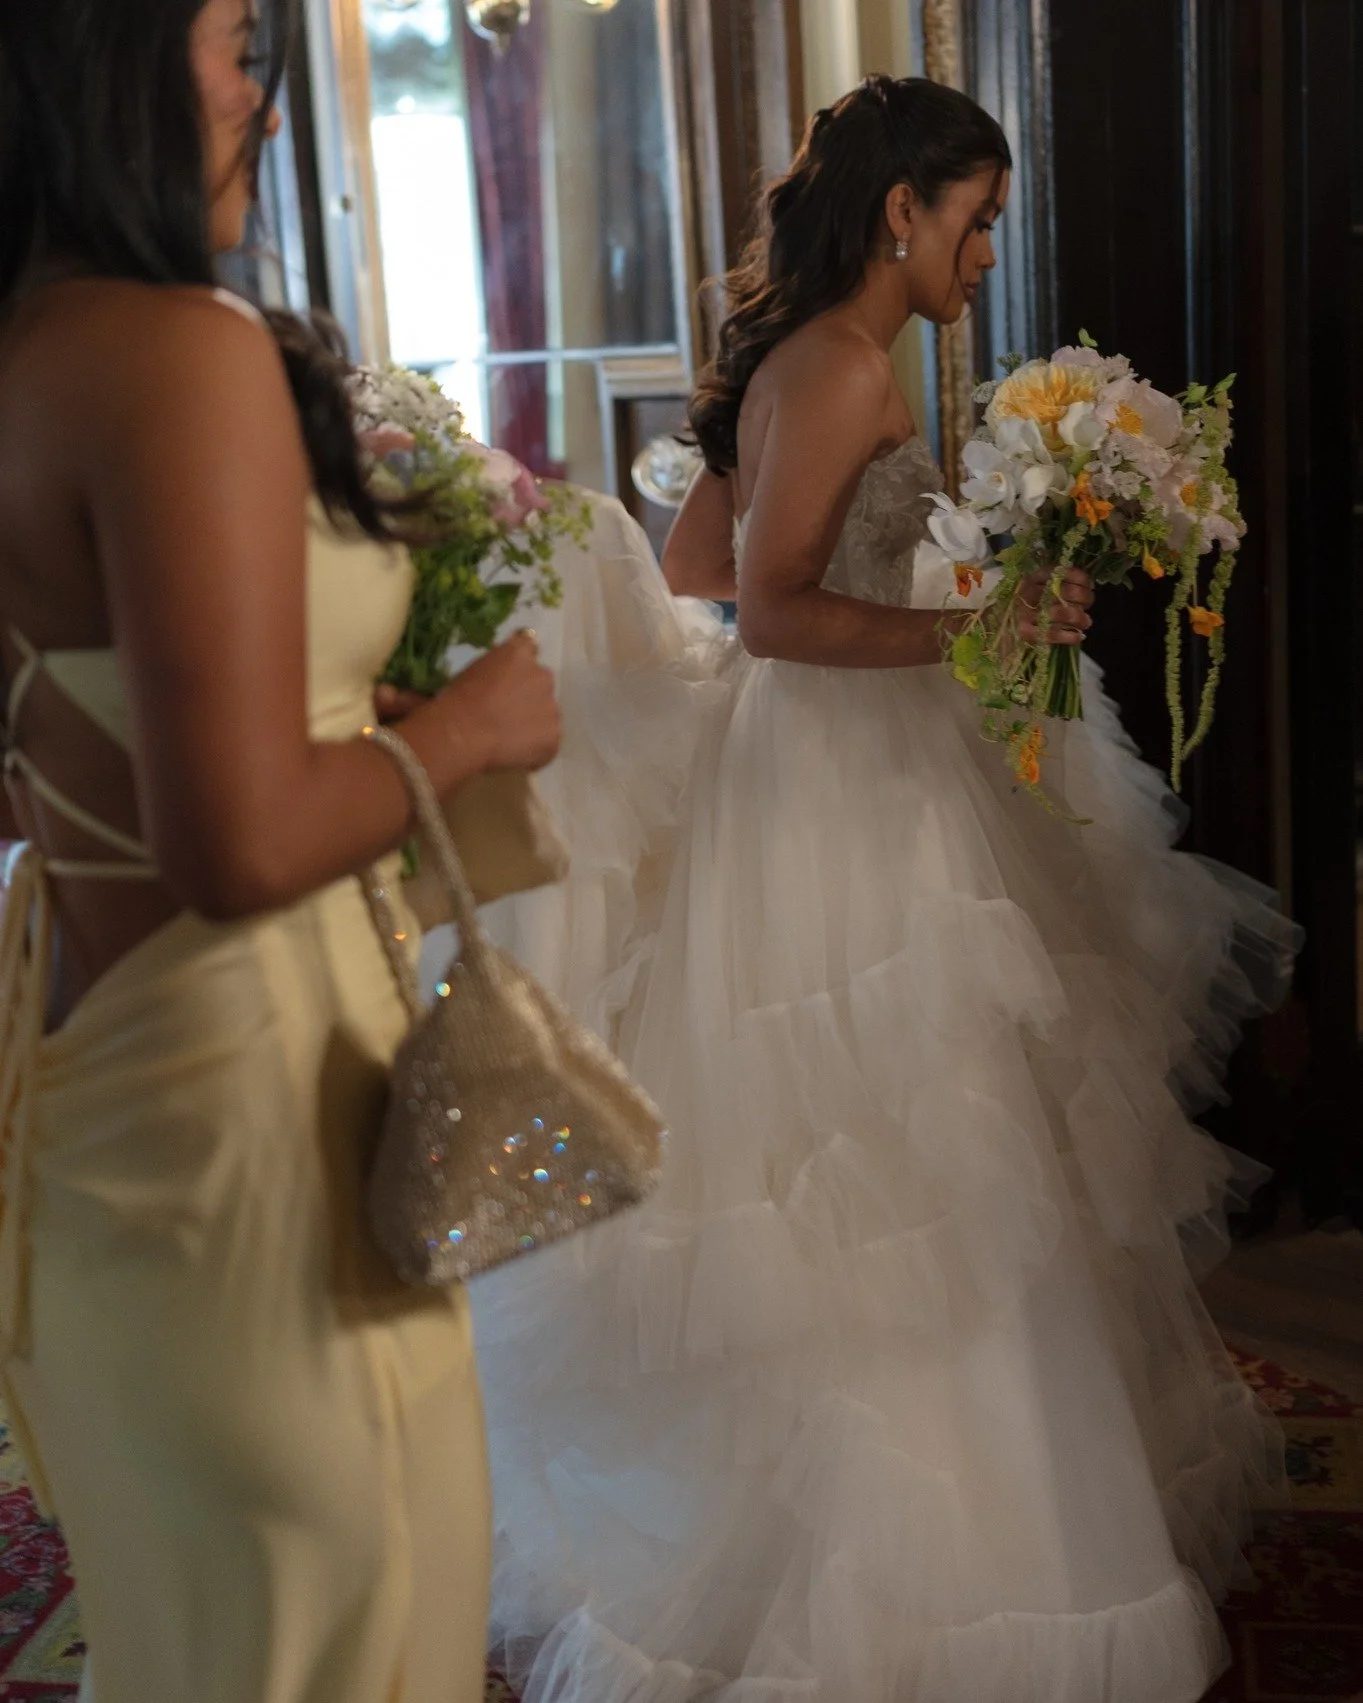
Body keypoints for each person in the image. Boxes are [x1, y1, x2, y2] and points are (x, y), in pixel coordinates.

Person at [469, 77, 1299, 1703]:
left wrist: (946, 575)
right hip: (842, 804)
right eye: (974, 218)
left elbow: (700, 563)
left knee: (886, 1175)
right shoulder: (842, 367)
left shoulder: (805, 364)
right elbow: (769, 613)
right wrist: (969, 630)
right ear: (898, 209)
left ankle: (826, 1548)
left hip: (817, 778)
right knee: (927, 1169)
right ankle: (966, 1580)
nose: (986, 252)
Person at [0, 3, 560, 1700]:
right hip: (262, 1115)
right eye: (237, 44)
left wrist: (321, 696)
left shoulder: (28, 344)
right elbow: (236, 837)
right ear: (108, 62)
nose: (261, 96)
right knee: (357, 1624)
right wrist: (471, 727)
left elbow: (72, 723)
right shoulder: (181, 350)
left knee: (210, 1635)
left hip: (107, 1092)